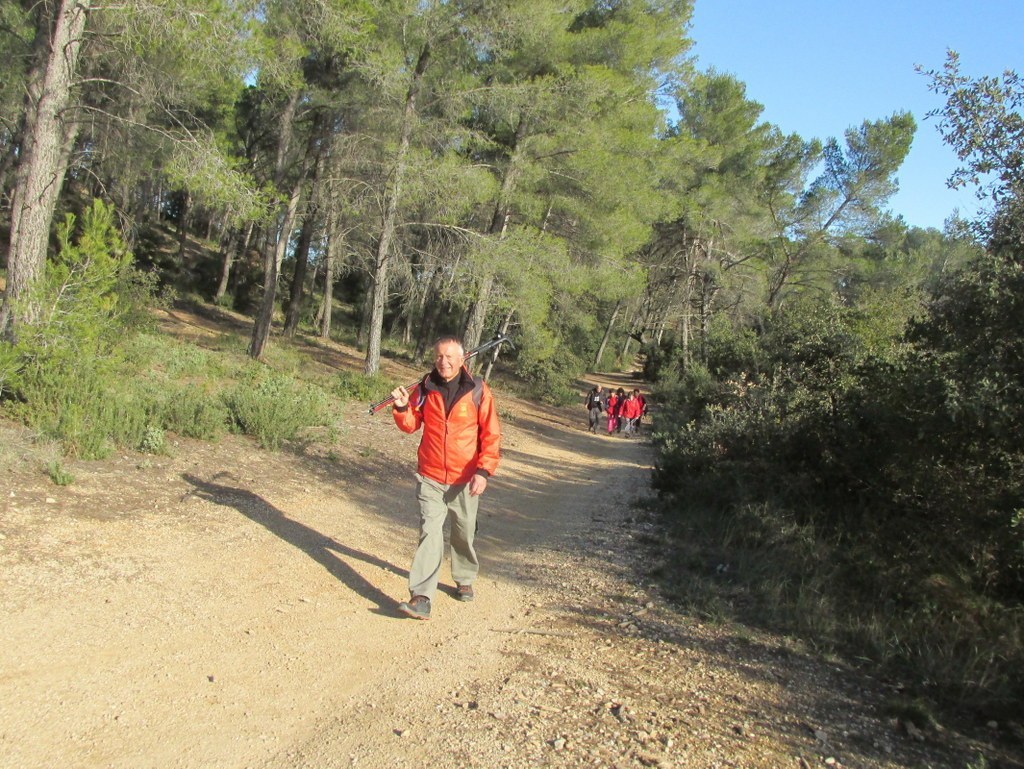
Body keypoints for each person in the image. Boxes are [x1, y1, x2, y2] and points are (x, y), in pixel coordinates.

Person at [390, 336, 502, 620]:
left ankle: (464, 577)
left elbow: (491, 434)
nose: (444, 362)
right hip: (431, 475)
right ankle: (421, 596)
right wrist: (403, 407)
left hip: (465, 477)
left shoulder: (477, 389)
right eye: (439, 356)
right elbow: (411, 425)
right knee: (430, 532)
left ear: (462, 358)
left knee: (463, 532)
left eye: (450, 356)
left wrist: (484, 471)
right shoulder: (425, 388)